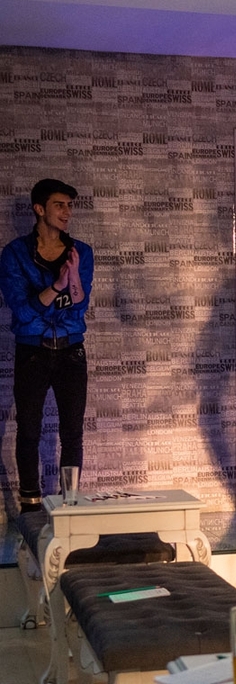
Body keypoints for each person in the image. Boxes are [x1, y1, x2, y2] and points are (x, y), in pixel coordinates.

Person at [0, 179, 93, 513]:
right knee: (29, 430)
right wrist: (57, 286)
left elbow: (80, 305)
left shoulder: (80, 252)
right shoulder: (13, 254)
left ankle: (69, 506)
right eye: (59, 205)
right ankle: (30, 508)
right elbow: (22, 311)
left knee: (72, 433)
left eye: (70, 205)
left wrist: (69, 283)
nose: (67, 212)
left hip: (72, 351)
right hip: (32, 352)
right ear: (39, 209)